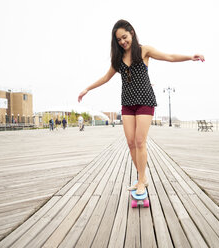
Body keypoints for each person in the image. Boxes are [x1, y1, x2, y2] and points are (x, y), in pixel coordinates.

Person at [78, 19, 204, 195]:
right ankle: (142, 179)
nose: (123, 42)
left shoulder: (144, 50)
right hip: (127, 103)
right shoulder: (118, 58)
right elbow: (105, 77)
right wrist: (87, 89)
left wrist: (190, 57)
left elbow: (169, 57)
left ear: (132, 33)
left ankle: (141, 182)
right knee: (130, 143)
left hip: (145, 101)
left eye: (124, 37)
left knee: (139, 141)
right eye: (119, 40)